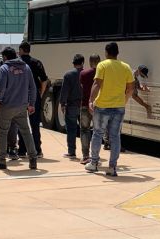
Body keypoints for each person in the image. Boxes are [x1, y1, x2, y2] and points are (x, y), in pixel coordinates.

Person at [86, 42, 135, 177]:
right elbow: (131, 88)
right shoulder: (126, 67)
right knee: (115, 137)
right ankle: (112, 167)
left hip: (102, 106)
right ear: (117, 53)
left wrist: (91, 100)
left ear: (106, 53)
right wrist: (124, 100)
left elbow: (97, 84)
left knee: (97, 134)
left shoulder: (102, 65)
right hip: (119, 107)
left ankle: (94, 163)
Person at [0, 47, 38, 171]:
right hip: (22, 106)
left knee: (3, 132)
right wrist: (31, 103)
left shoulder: (4, 68)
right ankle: (33, 159)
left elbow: (1, 87)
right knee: (26, 132)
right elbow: (32, 87)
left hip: (7, 106)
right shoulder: (26, 68)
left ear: (5, 57)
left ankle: (2, 161)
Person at [15, 41, 48, 158]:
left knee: (21, 124)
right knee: (35, 124)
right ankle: (37, 149)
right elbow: (44, 80)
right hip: (34, 97)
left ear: (21, 50)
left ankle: (22, 150)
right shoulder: (36, 62)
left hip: (20, 97)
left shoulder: (17, 63)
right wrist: (41, 93)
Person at [58, 54, 84, 158]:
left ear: (73, 63)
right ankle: (86, 153)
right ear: (82, 63)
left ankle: (71, 151)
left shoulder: (68, 75)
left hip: (72, 105)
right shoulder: (87, 74)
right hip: (84, 105)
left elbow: (64, 92)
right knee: (85, 130)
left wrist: (62, 103)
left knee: (71, 130)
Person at [79, 53, 99, 165]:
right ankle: (95, 156)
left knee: (84, 130)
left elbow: (81, 87)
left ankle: (86, 156)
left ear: (90, 62)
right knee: (97, 132)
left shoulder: (83, 73)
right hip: (99, 106)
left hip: (85, 105)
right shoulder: (103, 74)